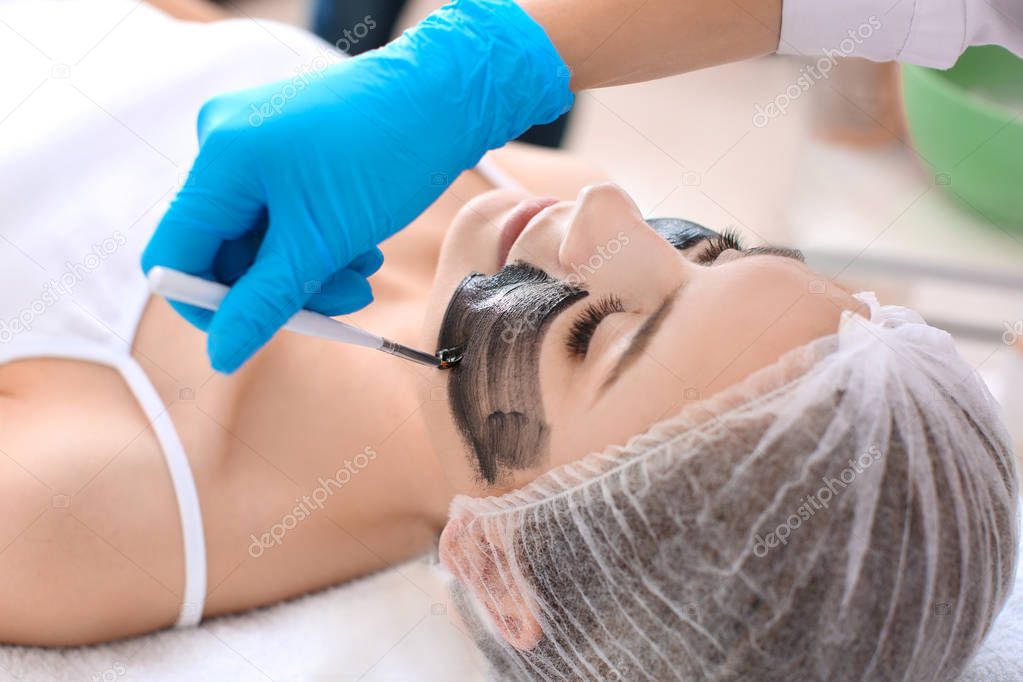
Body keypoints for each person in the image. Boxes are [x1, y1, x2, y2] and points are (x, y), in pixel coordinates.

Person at [141, 0, 1023, 374]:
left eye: (602, 329)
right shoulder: (533, 188)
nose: (608, 205)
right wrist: (477, 62)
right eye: (707, 248)